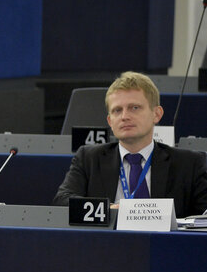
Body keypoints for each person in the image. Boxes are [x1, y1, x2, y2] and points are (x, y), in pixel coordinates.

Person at [53, 71, 207, 217]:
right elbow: (62, 202)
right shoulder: (89, 159)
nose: (125, 116)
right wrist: (109, 210)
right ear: (110, 121)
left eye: (134, 108)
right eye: (117, 110)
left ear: (157, 114)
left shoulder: (190, 164)